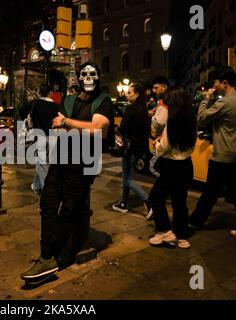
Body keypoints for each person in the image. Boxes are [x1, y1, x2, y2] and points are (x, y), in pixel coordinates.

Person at [20, 62, 114, 282]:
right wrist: (74, 126)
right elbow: (57, 126)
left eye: (93, 73)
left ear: (98, 77)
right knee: (47, 205)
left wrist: (69, 122)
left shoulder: (104, 102)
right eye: (84, 74)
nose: (88, 77)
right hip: (59, 161)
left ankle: (48, 258)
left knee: (68, 212)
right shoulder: (70, 100)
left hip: (83, 166)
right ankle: (47, 256)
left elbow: (97, 129)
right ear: (79, 78)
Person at [189, 66, 236, 239]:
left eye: (215, 83)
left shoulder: (224, 102)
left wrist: (206, 99)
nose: (213, 86)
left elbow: (201, 118)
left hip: (223, 155)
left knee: (211, 191)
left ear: (224, 83)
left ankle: (195, 221)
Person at [148, 86, 197, 249]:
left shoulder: (173, 120)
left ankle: (164, 230)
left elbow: (165, 146)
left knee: (155, 196)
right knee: (179, 201)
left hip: (172, 165)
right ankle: (182, 237)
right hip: (186, 165)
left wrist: (157, 144)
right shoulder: (191, 119)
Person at [112, 83, 152, 218]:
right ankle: (123, 202)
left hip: (129, 148)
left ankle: (148, 201)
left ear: (137, 94)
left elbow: (123, 128)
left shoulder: (131, 108)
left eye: (129, 92)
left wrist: (117, 128)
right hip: (139, 148)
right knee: (126, 176)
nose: (127, 94)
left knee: (128, 179)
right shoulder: (144, 109)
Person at [21, 85, 58, 195]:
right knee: (46, 163)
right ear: (50, 93)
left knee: (42, 164)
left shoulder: (36, 103)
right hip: (52, 137)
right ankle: (37, 186)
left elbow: (22, 111)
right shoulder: (56, 106)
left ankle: (46, 190)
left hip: (39, 137)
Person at [149, 77, 170, 178]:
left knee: (154, 167)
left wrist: (153, 116)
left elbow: (159, 122)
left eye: (156, 88)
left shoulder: (163, 102)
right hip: (168, 140)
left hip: (161, 140)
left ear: (164, 87)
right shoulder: (171, 100)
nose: (154, 90)